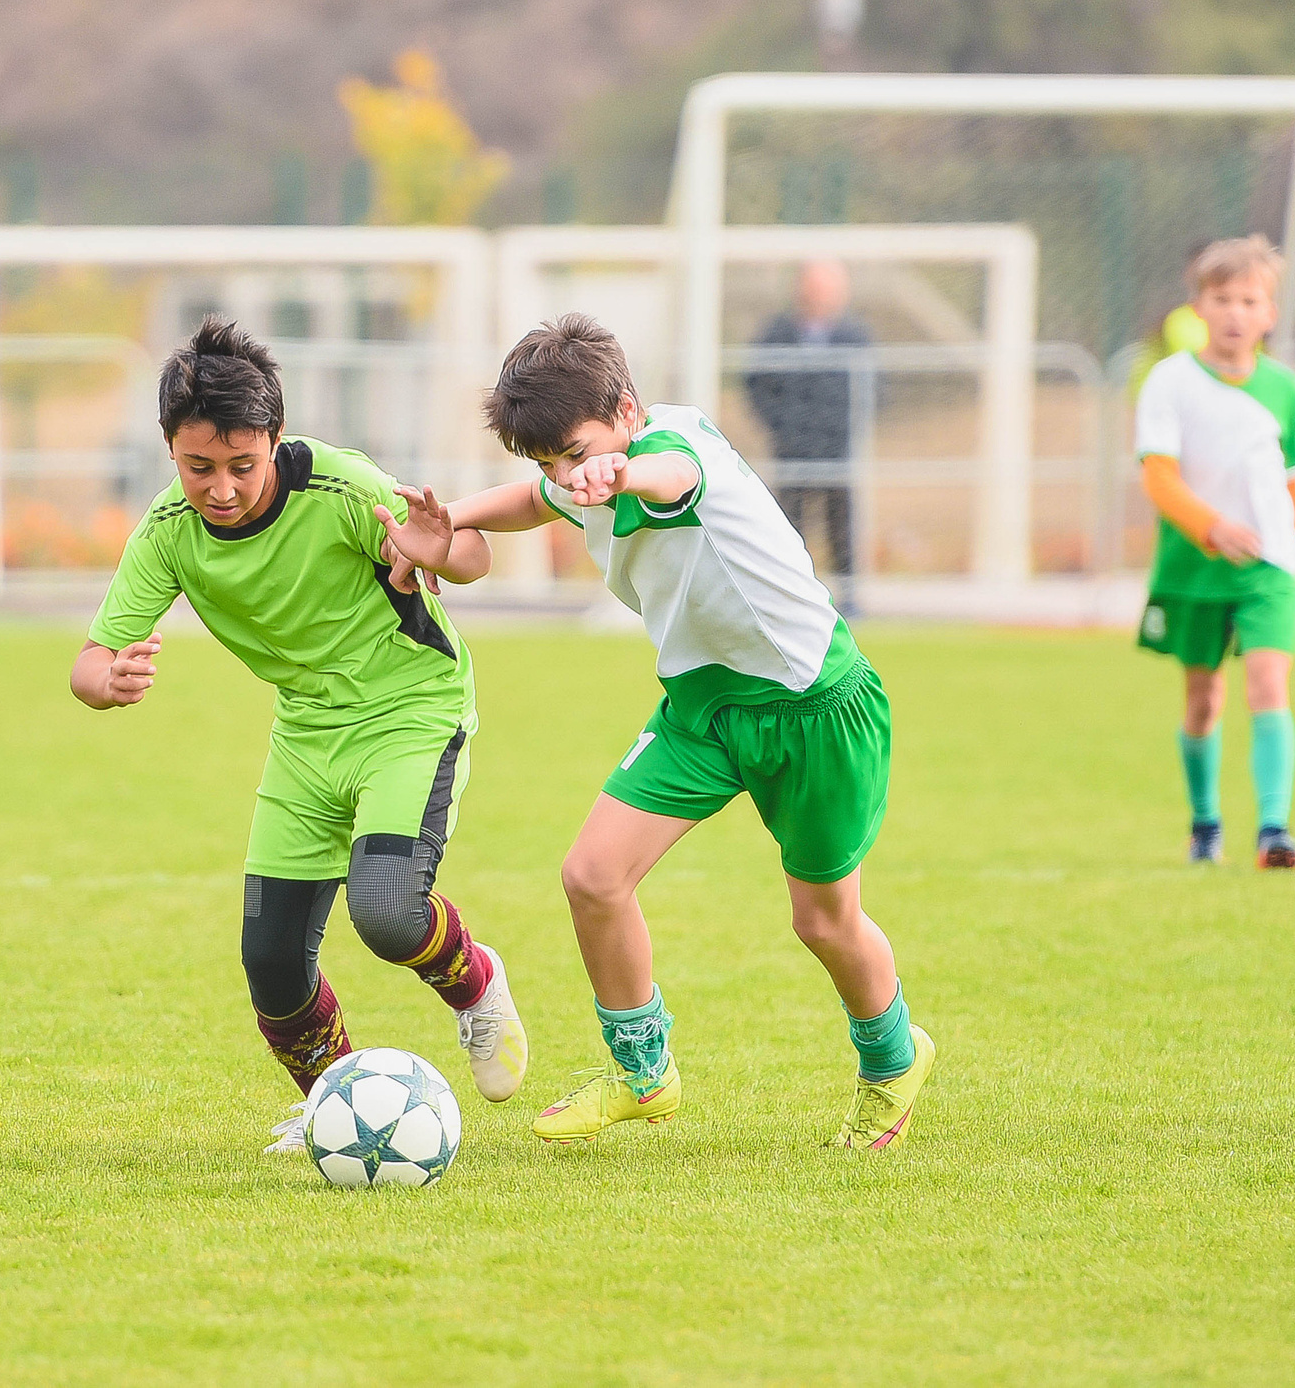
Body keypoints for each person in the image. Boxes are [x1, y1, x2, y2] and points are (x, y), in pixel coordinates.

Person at [392, 315, 933, 1149]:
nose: (566, 477)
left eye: (576, 452)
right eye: (549, 461)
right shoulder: (577, 475)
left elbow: (672, 475)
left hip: (813, 708)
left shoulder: (678, 454)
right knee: (592, 877)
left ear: (629, 409)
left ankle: (893, 1062)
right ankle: (645, 1074)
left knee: (824, 922)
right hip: (701, 709)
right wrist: (448, 514)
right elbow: (532, 501)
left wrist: (624, 470)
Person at [68, 318, 527, 1152]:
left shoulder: (342, 489)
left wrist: (443, 549)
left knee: (386, 915)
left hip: (408, 710)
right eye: (198, 466)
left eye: (242, 466)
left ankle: (476, 982)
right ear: (170, 449)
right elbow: (92, 658)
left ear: (275, 442)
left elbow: (472, 558)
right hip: (307, 737)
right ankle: (337, 1105)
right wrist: (106, 681)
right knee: (272, 964)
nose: (222, 487)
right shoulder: (169, 530)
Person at [1133, 236, 1295, 869]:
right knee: (1204, 698)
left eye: (1250, 300)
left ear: (1269, 312)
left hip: (1269, 569)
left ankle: (1273, 831)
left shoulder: (1285, 389)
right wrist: (1212, 528)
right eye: (1222, 299)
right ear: (1199, 307)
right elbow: (1158, 478)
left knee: (1268, 682)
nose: (1236, 312)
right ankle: (1206, 823)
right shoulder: (1171, 381)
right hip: (1194, 567)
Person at [744, 260, 871, 599]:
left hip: (836, 451)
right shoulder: (775, 336)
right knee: (787, 527)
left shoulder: (855, 338)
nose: (821, 296)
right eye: (815, 287)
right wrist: (784, 427)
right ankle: (786, 594)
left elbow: (872, 392)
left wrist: (840, 428)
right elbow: (756, 386)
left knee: (840, 526)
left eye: (829, 289)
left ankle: (849, 596)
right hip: (791, 451)